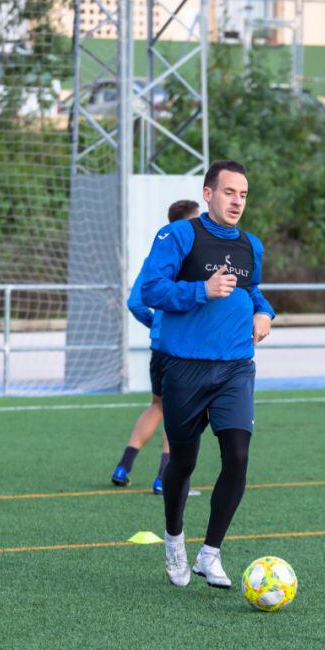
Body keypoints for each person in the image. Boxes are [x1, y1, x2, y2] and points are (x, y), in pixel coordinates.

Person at [139, 159, 274, 588]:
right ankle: (175, 539)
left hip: (235, 366)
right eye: (230, 192)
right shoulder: (178, 235)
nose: (238, 201)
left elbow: (253, 290)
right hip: (184, 368)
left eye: (244, 194)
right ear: (208, 193)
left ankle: (210, 554)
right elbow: (151, 290)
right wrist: (202, 290)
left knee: (237, 458)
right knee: (183, 461)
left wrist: (265, 313)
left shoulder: (251, 245)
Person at [112, 199, 202, 494]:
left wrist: (155, 326)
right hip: (181, 348)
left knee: (157, 406)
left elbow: (135, 302)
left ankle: (123, 466)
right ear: (187, 223)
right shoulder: (190, 255)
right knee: (179, 412)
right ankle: (165, 477)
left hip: (159, 346)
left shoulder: (157, 256)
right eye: (197, 220)